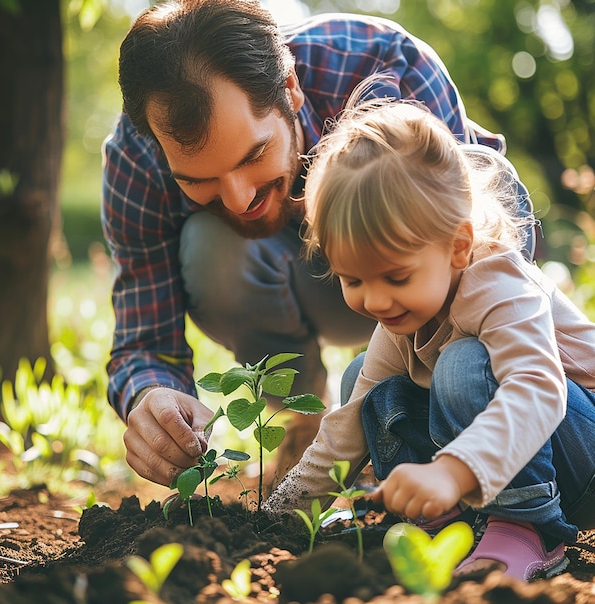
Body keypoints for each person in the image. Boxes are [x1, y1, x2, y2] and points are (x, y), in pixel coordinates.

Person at [101, 0, 524, 490]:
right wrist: (149, 397)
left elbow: (468, 249)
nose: (238, 200)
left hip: (427, 279)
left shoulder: (382, 67)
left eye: (254, 154)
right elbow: (144, 339)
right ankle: (308, 422)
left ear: (290, 90)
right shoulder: (136, 157)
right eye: (199, 181)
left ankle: (422, 428)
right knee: (209, 245)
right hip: (295, 285)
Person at [263, 96, 595, 582]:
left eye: (395, 277)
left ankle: (525, 528)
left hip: (577, 454)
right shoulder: (402, 316)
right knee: (368, 382)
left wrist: (452, 471)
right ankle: (447, 524)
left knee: (462, 365)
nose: (375, 302)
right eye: (353, 280)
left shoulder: (499, 285)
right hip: (499, 460)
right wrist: (276, 512)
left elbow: (537, 390)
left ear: (458, 246)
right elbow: (348, 425)